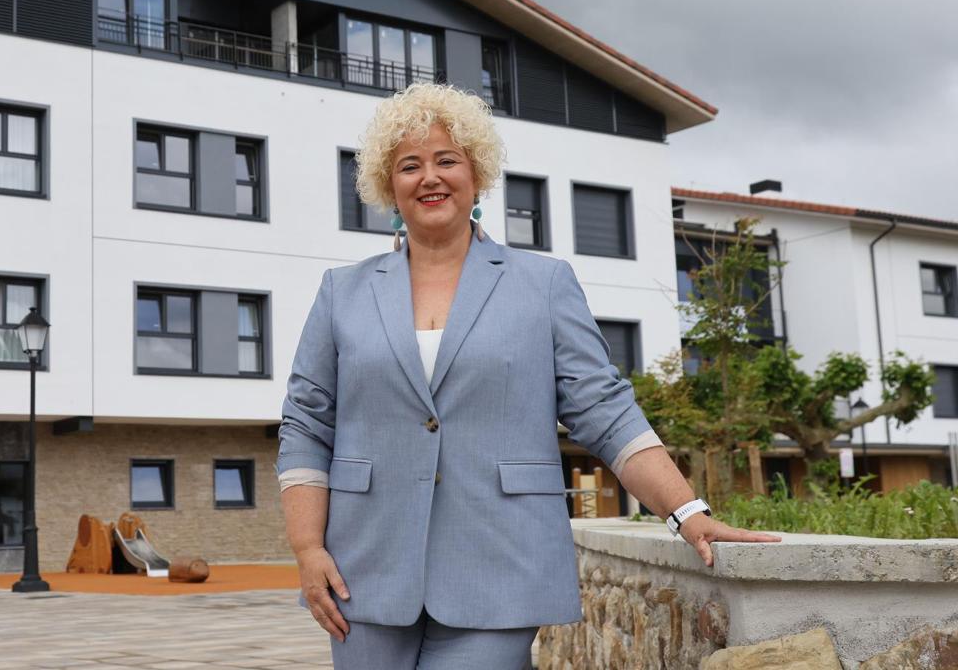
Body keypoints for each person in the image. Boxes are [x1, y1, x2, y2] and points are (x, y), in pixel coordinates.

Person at [276, 83, 779, 670]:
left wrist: (688, 513)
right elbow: (307, 425)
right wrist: (308, 548)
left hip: (502, 562)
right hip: (362, 571)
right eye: (409, 165)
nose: (429, 177)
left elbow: (604, 408)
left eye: (447, 160)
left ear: (477, 173)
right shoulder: (342, 292)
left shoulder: (543, 284)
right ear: (389, 186)